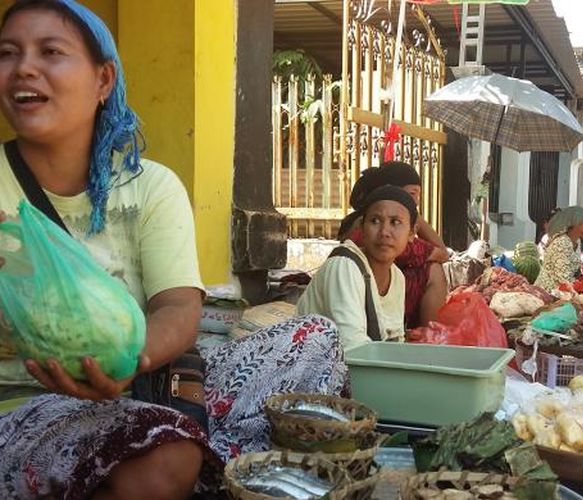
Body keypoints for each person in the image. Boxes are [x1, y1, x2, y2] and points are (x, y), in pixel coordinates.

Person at [0, 2, 346, 497]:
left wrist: (130, 361)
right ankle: (190, 459)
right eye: (8, 52)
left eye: (50, 51)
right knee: (164, 454)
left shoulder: (149, 186)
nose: (24, 67)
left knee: (312, 338)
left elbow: (178, 306)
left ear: (103, 80)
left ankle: (179, 452)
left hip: (135, 383)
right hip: (22, 404)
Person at [298, 185, 417, 349]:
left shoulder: (397, 277)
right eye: (375, 221)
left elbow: (395, 343)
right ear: (361, 227)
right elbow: (351, 346)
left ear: (411, 233)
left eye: (395, 222)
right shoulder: (344, 265)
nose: (384, 232)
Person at [338, 161, 448, 329]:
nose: (384, 233)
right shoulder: (348, 258)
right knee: (433, 270)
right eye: (412, 194)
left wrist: (409, 215)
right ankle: (429, 337)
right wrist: (404, 212)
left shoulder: (395, 273)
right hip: (364, 300)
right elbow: (442, 253)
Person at [534, 207, 583, 292]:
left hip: (566, 290)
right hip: (549, 292)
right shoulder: (561, 242)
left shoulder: (577, 241)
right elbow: (562, 279)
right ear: (575, 224)